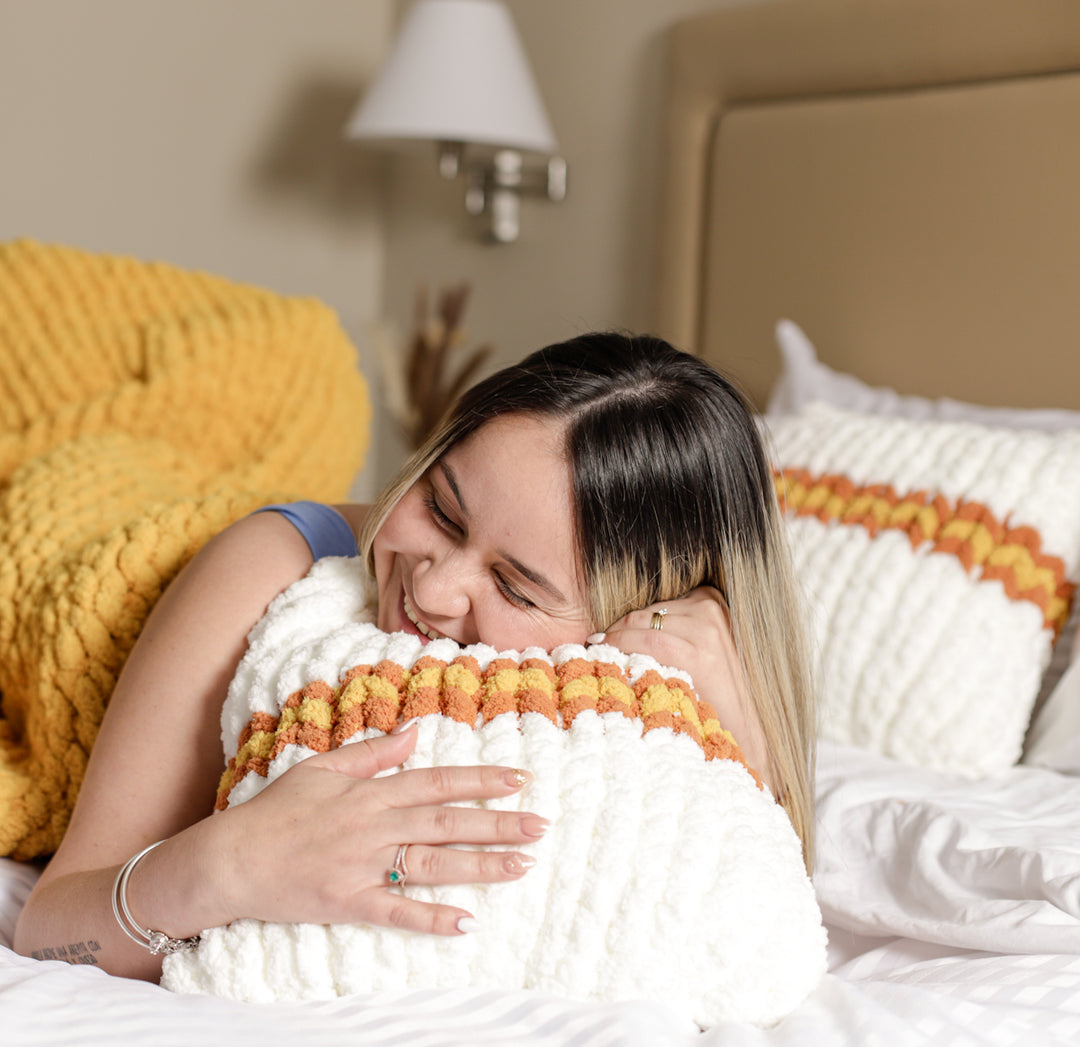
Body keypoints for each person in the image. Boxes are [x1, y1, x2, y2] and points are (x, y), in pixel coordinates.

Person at [13, 331, 814, 980]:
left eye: (515, 585)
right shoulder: (271, 570)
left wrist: (745, 742)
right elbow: (51, 927)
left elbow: (753, 913)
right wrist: (225, 867)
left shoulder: (668, 671)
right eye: (441, 507)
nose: (435, 588)